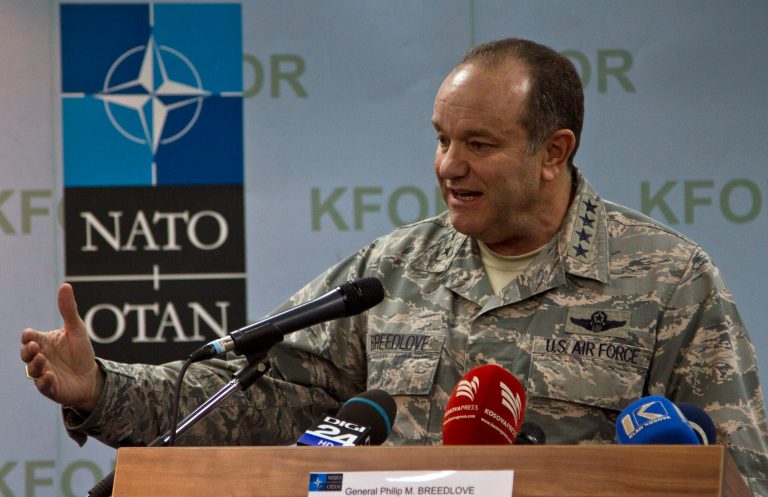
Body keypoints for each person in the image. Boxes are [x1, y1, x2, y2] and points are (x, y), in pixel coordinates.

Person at [21, 38, 768, 494]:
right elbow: (257, 397)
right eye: (442, 139)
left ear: (554, 152)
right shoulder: (391, 271)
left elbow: (739, 473)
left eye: (479, 144)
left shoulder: (670, 279)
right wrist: (100, 387)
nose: (449, 165)